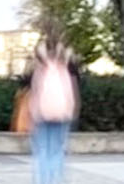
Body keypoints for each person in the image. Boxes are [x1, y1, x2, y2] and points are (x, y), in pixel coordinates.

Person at [20, 39, 80, 184]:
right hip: (62, 114)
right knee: (57, 150)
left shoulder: (39, 69)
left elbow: (30, 89)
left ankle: (42, 181)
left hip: (41, 115)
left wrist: (31, 115)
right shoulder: (66, 68)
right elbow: (74, 91)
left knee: (42, 151)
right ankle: (56, 180)